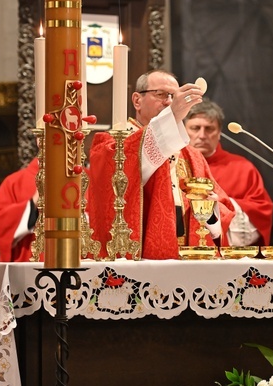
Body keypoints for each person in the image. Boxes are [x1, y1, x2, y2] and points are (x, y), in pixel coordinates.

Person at [87, 70, 235, 260]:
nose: (169, 102)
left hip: (187, 256)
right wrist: (172, 115)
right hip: (137, 255)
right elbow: (121, 179)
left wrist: (209, 209)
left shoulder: (192, 155)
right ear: (137, 100)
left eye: (174, 96)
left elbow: (221, 207)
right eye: (161, 94)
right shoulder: (111, 146)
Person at [184, 98, 273, 246]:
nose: (202, 135)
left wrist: (223, 204)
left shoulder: (243, 169)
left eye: (209, 129)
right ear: (184, 130)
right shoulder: (172, 166)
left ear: (219, 133)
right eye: (195, 128)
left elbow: (261, 212)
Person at [0, 158, 40, 262]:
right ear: (39, 141)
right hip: (29, 269)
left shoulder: (80, 178)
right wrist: (33, 204)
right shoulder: (15, 182)